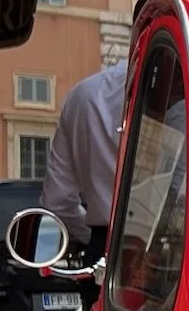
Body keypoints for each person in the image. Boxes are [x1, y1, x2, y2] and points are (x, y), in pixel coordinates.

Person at [42, 59, 127, 257]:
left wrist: (97, 240)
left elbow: (56, 201)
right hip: (171, 249)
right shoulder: (185, 88)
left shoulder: (82, 93)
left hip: (101, 246)